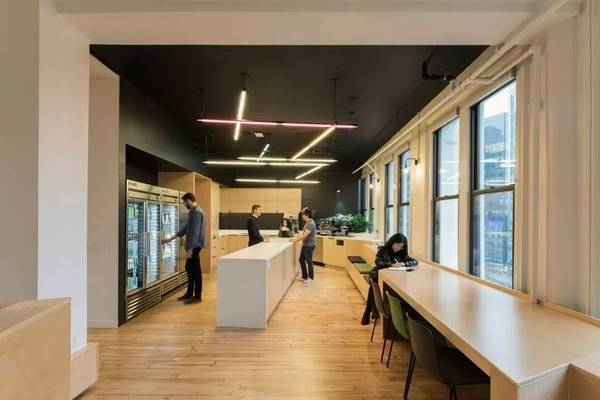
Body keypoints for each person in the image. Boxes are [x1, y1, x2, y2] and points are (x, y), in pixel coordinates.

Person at [361, 233, 417, 325]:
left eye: (401, 246)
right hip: (377, 274)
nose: (399, 248)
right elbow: (378, 263)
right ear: (393, 242)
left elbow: (415, 261)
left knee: (373, 288)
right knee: (373, 286)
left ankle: (372, 311)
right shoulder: (383, 250)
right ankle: (368, 312)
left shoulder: (402, 253)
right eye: (398, 245)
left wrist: (403, 264)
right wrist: (391, 265)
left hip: (394, 277)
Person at [161, 192, 205, 304]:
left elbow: (195, 232)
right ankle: (190, 294)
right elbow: (186, 228)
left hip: (194, 246)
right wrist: (170, 239)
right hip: (194, 245)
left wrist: (190, 249)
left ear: (189, 201)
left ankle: (197, 296)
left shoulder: (196, 212)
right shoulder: (194, 211)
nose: (184, 205)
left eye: (184, 203)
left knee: (195, 271)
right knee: (190, 269)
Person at [292, 207, 317, 283]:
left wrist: (295, 240)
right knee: (301, 260)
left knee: (309, 261)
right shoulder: (307, 222)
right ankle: (304, 276)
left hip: (309, 246)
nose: (302, 216)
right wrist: (296, 237)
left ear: (307, 215)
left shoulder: (311, 224)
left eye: (303, 214)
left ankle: (311, 277)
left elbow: (304, 236)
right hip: (305, 245)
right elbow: (303, 234)